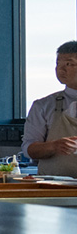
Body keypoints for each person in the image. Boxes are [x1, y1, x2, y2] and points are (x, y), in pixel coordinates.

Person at [21, 40, 77, 177]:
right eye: (58, 64)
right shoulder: (43, 105)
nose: (60, 69)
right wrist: (53, 146)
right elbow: (28, 149)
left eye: (68, 64)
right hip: (52, 186)